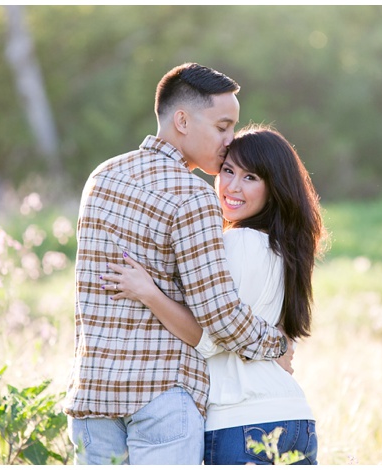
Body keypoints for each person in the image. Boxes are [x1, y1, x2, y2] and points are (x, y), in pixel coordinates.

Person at [63, 64, 291, 465]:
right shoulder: (193, 196)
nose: (229, 140)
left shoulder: (101, 177)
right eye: (222, 126)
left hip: (92, 395)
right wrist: (277, 343)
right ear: (182, 120)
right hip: (162, 398)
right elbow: (220, 313)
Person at [103, 124, 326, 465]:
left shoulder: (238, 243)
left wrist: (148, 292)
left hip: (240, 422)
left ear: (274, 187)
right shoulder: (284, 249)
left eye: (250, 177)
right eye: (228, 171)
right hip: (294, 418)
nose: (232, 187)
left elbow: (210, 336)